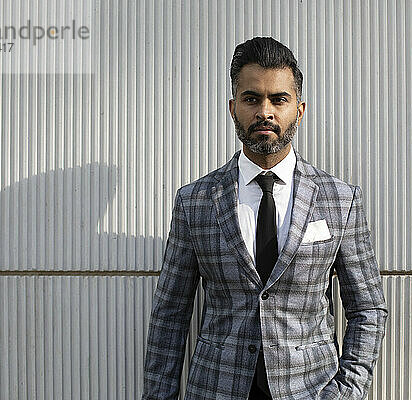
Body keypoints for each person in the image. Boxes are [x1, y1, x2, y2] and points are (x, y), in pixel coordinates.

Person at [143, 37, 388, 400]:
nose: (265, 112)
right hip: (217, 389)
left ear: (299, 110)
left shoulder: (340, 200)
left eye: (279, 99)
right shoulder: (195, 201)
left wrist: (346, 391)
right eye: (252, 98)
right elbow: (170, 314)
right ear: (233, 108)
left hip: (312, 388)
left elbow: (368, 308)